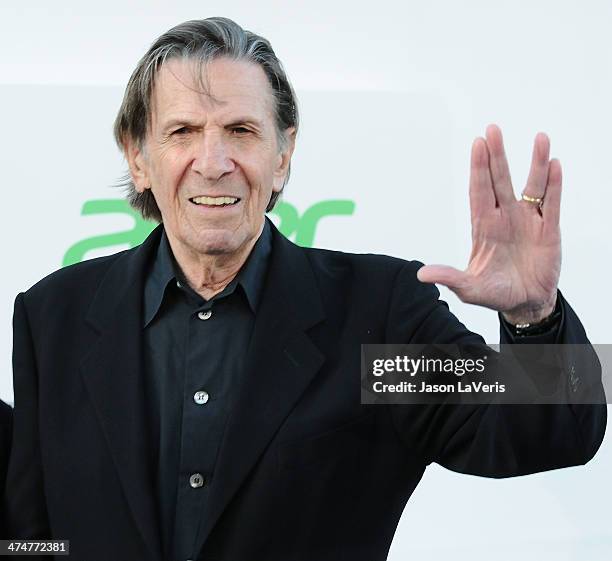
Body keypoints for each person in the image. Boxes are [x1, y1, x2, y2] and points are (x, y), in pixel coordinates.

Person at [4, 17, 606, 561]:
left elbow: (549, 433)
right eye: (182, 132)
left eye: (240, 130)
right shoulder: (55, 314)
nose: (213, 162)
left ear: (283, 154)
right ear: (138, 158)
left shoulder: (374, 315)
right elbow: (32, 533)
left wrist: (534, 317)